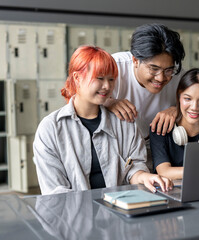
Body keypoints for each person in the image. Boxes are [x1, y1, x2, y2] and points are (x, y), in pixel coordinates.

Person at [33, 45, 172, 195]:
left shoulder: (124, 123)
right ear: (77, 78)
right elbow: (55, 190)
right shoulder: (50, 129)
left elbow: (134, 168)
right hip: (72, 214)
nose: (107, 86)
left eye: (111, 79)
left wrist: (144, 177)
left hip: (119, 211)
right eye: (99, 78)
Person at [105, 23, 185, 171]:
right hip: (118, 150)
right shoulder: (113, 67)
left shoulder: (179, 75)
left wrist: (178, 109)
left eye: (168, 70)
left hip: (158, 150)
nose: (161, 78)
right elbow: (77, 100)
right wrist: (108, 102)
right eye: (154, 69)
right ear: (135, 60)